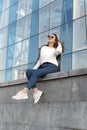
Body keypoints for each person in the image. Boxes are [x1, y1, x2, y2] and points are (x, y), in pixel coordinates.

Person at [12, 33, 64, 104]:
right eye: (48, 36)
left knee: (34, 73)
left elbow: (59, 51)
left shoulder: (55, 49)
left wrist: (59, 43)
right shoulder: (43, 48)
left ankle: (24, 92)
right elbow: (39, 60)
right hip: (43, 66)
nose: (49, 38)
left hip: (52, 67)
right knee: (28, 72)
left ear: (55, 40)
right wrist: (34, 69)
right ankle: (36, 92)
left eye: (52, 37)